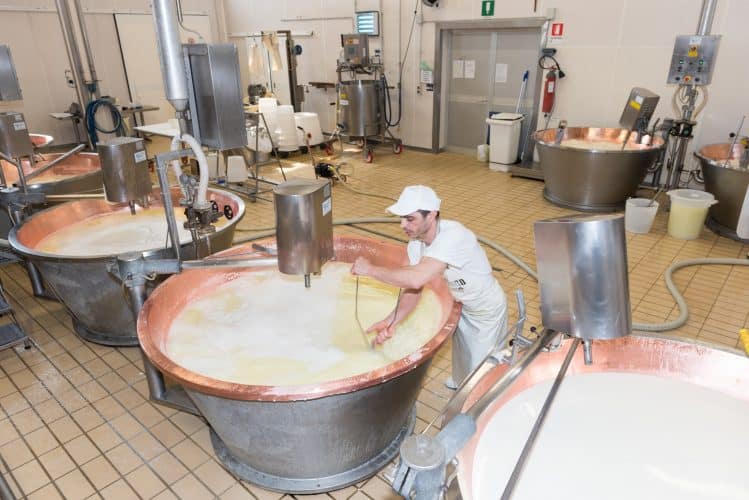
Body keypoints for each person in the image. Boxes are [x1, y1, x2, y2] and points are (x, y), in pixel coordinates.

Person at [351, 185, 507, 389]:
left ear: (431, 215)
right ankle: (462, 384)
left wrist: (371, 270)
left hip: (486, 310)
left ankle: (478, 405)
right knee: (463, 358)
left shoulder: (454, 236)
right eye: (401, 218)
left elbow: (415, 278)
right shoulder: (417, 243)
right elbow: (415, 289)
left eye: (410, 218)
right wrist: (391, 321)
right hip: (461, 303)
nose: (402, 225)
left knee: (483, 373)